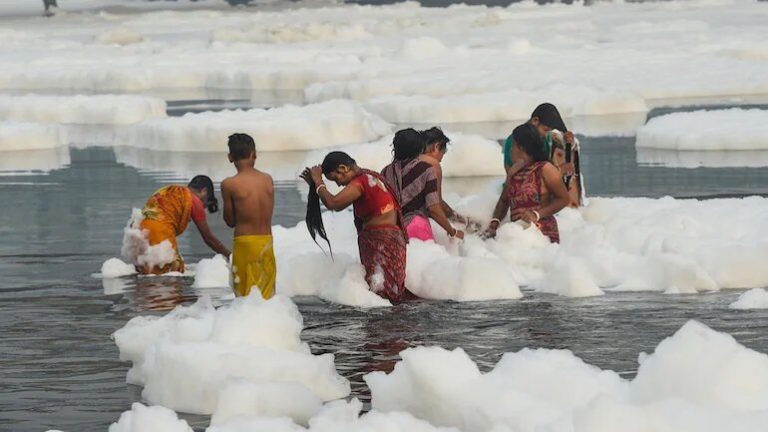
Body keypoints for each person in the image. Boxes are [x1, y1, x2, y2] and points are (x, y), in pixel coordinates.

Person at [301, 151, 415, 303]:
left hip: (381, 242)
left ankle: (389, 325)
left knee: (381, 291)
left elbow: (334, 203)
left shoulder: (360, 182)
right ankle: (392, 324)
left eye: (336, 179)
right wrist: (315, 184)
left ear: (343, 168)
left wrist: (318, 182)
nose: (339, 184)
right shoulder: (370, 176)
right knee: (387, 289)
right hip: (390, 239)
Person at [484, 124, 571, 243]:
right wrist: (494, 223)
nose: (510, 150)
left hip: (542, 236)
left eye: (512, 146)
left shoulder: (545, 168)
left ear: (521, 148)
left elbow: (564, 199)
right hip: (519, 235)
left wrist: (537, 214)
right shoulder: (514, 171)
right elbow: (504, 201)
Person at [132, 175, 230, 275]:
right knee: (171, 276)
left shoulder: (169, 190)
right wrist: (230, 256)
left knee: (145, 273)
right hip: (158, 234)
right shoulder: (194, 200)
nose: (202, 207)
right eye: (203, 204)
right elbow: (208, 238)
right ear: (204, 191)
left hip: (137, 232)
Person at [381, 128, 463, 242]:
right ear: (419, 147)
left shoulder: (385, 171)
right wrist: (453, 231)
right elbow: (434, 207)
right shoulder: (427, 169)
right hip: (416, 227)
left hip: (391, 230)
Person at [221, 133, 276, 299]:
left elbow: (230, 221)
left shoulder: (229, 184)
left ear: (230, 157)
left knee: (244, 295)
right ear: (254, 154)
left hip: (244, 243)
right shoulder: (267, 179)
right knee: (267, 294)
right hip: (266, 241)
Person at [419, 127, 481, 231]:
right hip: (418, 223)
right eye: (444, 151)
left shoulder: (408, 161)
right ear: (437, 146)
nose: (441, 159)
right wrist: (462, 221)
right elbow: (436, 204)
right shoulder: (432, 165)